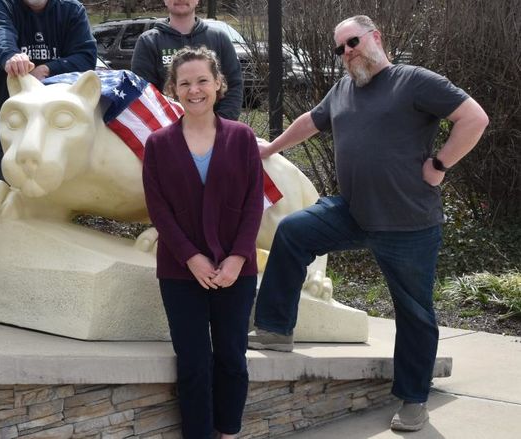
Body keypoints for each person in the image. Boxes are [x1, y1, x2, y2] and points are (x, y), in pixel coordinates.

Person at [247, 15, 489, 432]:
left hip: (408, 225)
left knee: (414, 313)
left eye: (353, 42)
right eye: (340, 48)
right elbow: (311, 120)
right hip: (353, 211)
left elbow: (474, 118)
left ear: (375, 37)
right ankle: (275, 329)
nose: (347, 52)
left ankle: (413, 400)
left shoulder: (413, 81)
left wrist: (440, 164)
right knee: (292, 232)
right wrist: (272, 146)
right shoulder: (343, 89)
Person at [143, 46, 264, 439]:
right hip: (180, 272)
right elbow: (159, 211)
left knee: (231, 357)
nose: (194, 90)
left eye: (202, 81)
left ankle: (227, 431)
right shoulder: (158, 144)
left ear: (218, 84)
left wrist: (236, 259)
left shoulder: (243, 138)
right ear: (173, 90)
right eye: (185, 83)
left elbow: (252, 206)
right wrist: (191, 258)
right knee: (194, 361)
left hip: (236, 271)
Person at [0, 0, 97, 182]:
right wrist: (11, 57)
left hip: (53, 124)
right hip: (0, 117)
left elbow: (86, 56)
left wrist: (47, 69)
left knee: (46, 189)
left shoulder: (71, 9)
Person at [132, 0, 243, 120]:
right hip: (168, 131)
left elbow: (234, 85)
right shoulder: (149, 42)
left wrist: (219, 126)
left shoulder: (219, 38)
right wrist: (171, 131)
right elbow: (144, 95)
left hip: (217, 131)